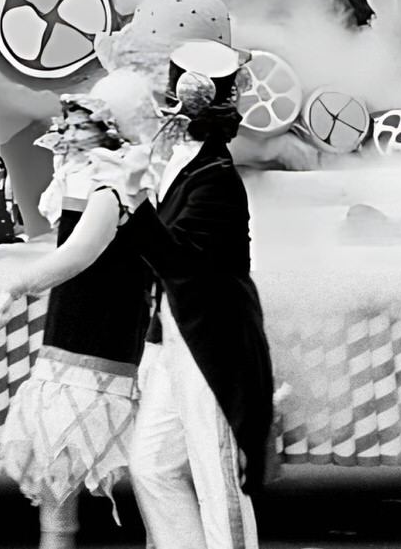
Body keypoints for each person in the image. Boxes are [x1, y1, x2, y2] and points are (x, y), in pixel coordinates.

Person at [0, 80, 158, 549]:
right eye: (72, 124)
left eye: (86, 125)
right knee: (59, 459)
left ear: (111, 130)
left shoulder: (117, 185)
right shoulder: (89, 180)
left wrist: (14, 287)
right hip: (76, 324)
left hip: (104, 330)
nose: (74, 133)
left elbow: (79, 253)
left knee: (148, 466)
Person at [123, 41, 275, 549]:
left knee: (219, 482)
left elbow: (179, 260)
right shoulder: (184, 166)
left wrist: (135, 204)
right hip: (177, 338)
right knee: (151, 466)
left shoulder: (217, 178)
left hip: (215, 344)